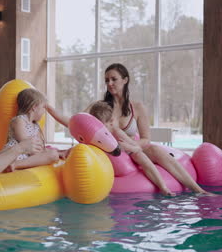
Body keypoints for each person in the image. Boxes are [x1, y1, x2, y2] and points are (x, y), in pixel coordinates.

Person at [47, 63, 212, 195]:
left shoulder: (137, 107)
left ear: (125, 80)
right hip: (111, 152)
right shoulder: (100, 107)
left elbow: (146, 138)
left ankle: (197, 190)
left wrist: (133, 147)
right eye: (107, 80)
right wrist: (49, 109)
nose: (109, 83)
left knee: (156, 149)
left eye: (114, 79)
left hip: (131, 147)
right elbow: (75, 123)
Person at [4, 88, 66, 172]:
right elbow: (27, 145)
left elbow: (39, 147)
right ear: (34, 107)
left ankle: (19, 165)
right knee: (53, 154)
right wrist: (51, 153)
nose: (44, 112)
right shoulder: (19, 121)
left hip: (30, 156)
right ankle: (15, 165)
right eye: (43, 108)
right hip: (17, 155)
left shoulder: (35, 126)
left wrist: (60, 152)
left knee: (53, 155)